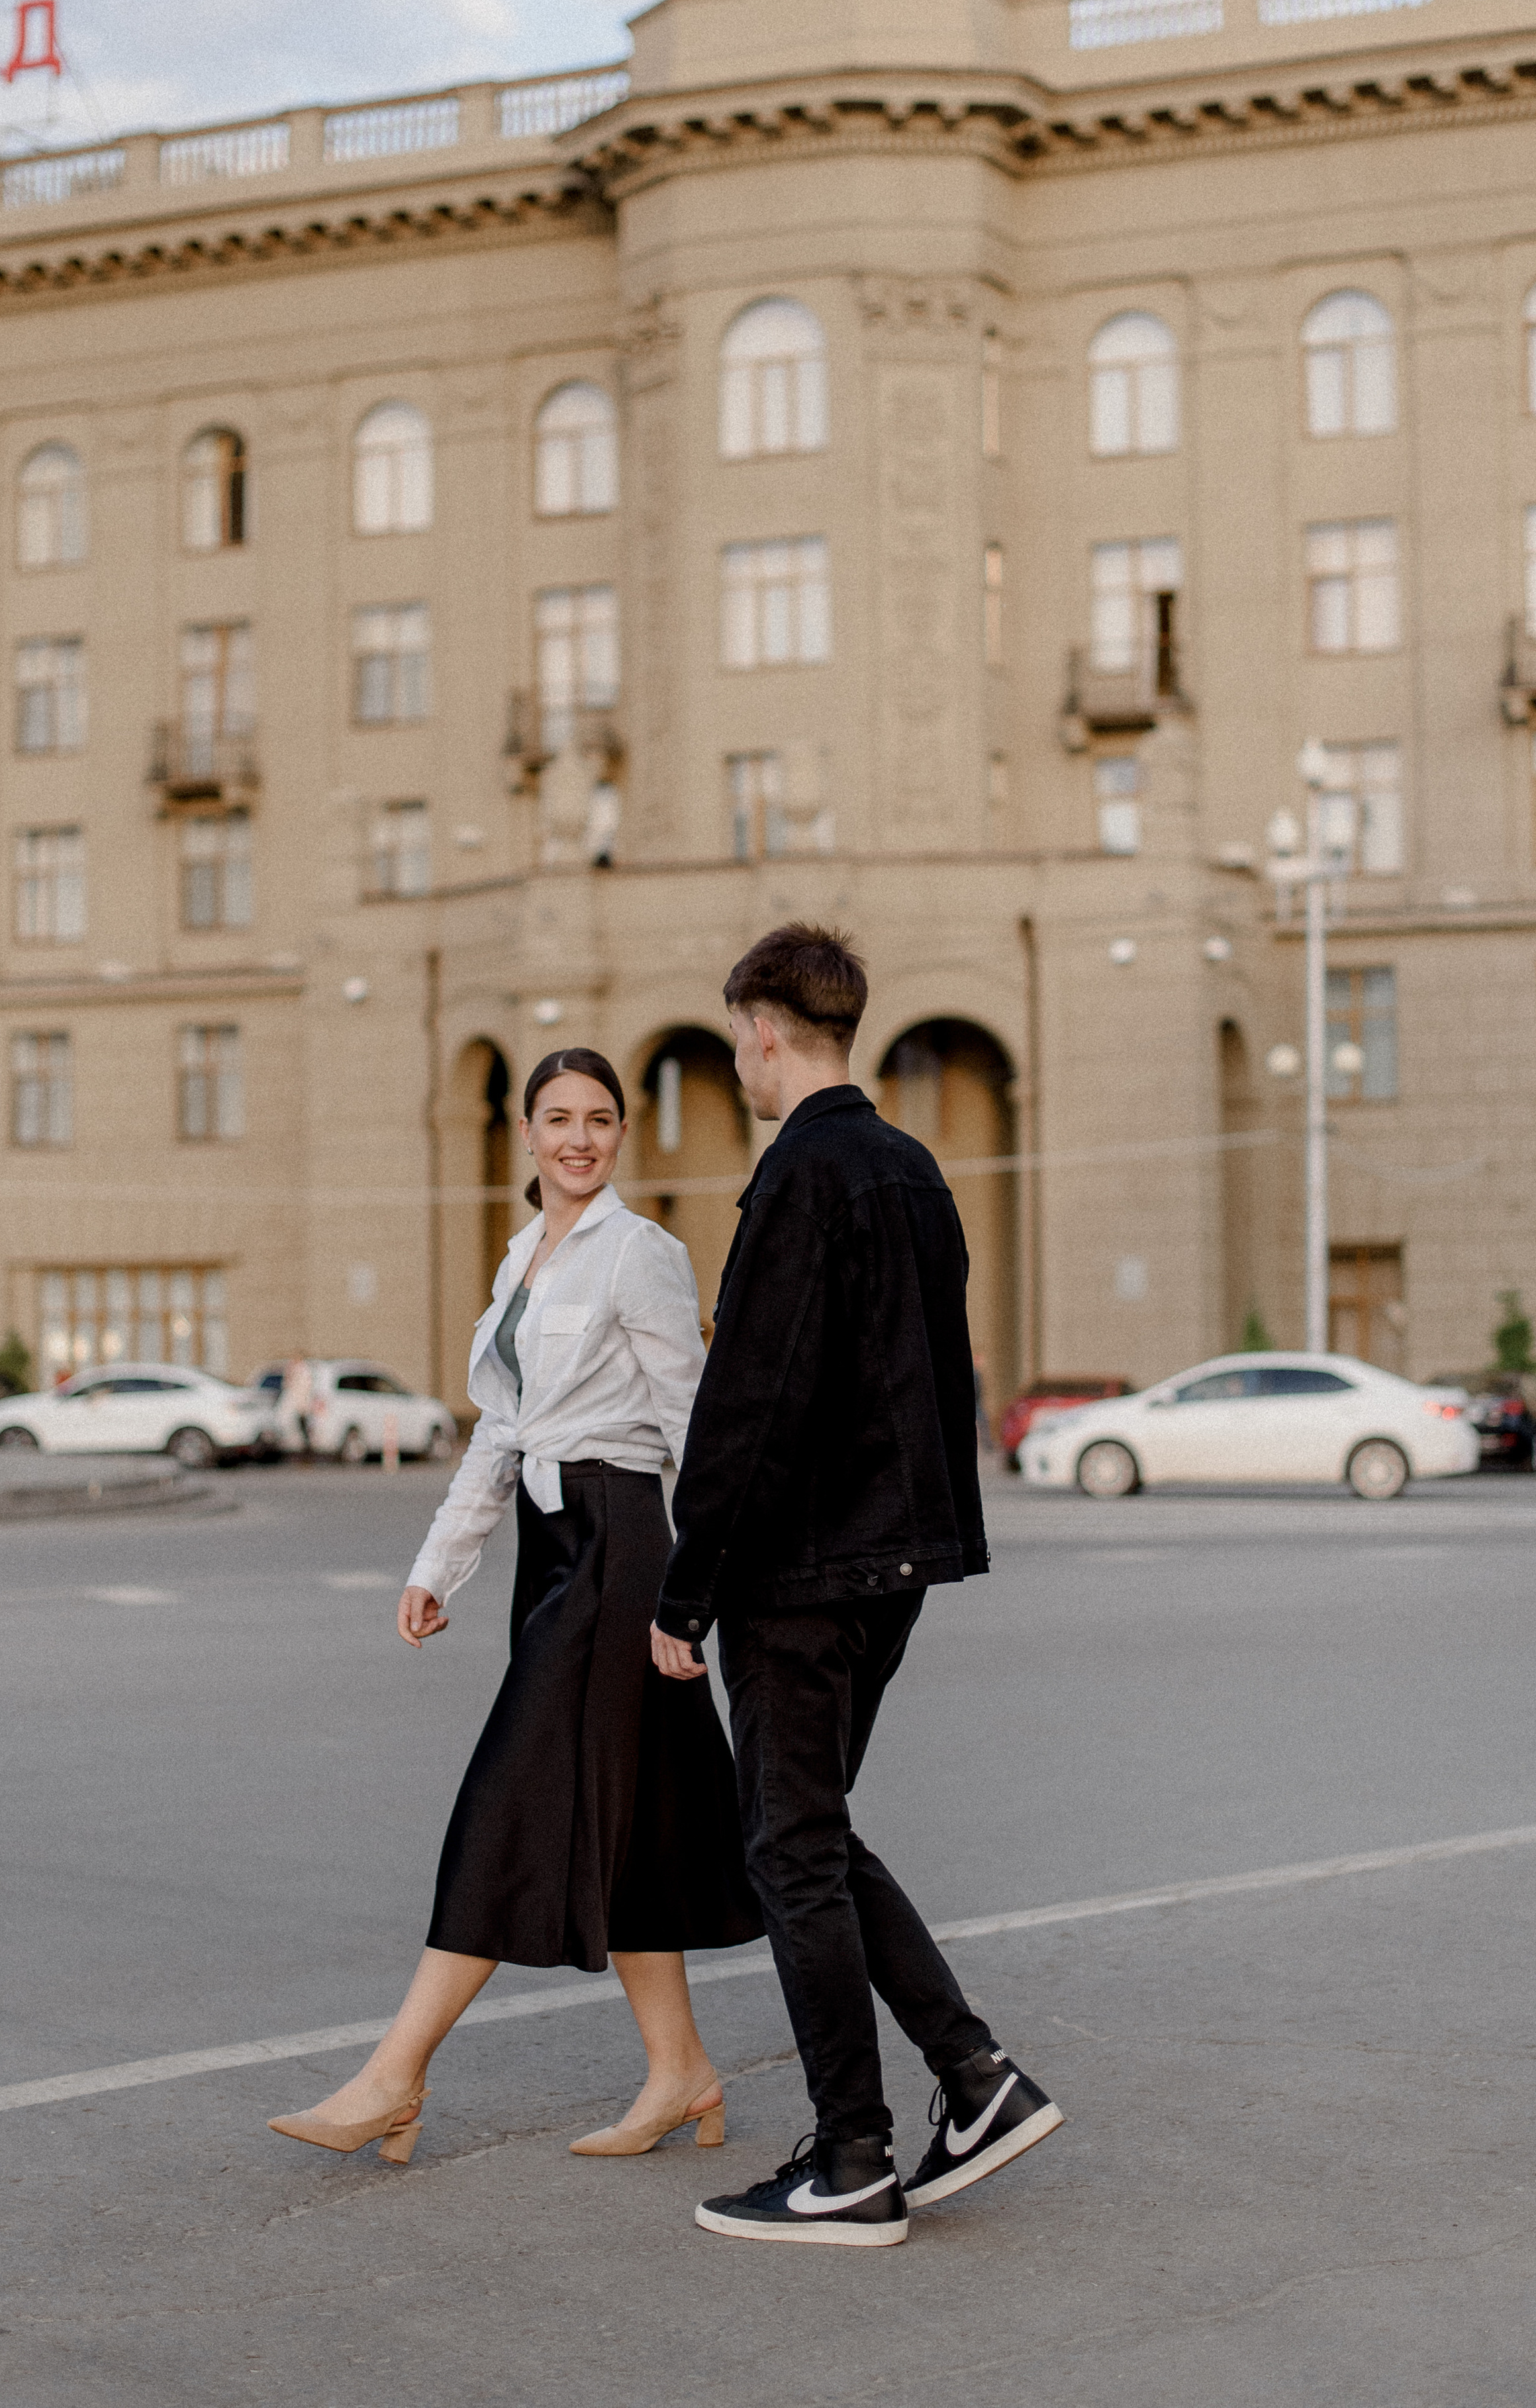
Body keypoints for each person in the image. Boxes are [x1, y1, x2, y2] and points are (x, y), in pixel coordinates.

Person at [269, 1047, 761, 2168]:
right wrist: (438, 1565)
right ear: (526, 1134)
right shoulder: (519, 1263)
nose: (580, 1137)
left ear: (620, 1135)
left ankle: (394, 2075)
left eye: (600, 1119)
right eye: (558, 1118)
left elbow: (695, 1426)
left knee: (504, 1797)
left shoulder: (641, 1253)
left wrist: (698, 1595)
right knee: (628, 1821)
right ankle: (680, 2069)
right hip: (553, 1548)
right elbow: (501, 1429)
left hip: (621, 1546)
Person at [651, 926, 1062, 2248]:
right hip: (894, 1564)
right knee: (812, 1832)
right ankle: (974, 2081)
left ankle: (851, 2160)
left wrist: (684, 1589)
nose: (736, 1063)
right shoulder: (910, 1171)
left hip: (797, 1573)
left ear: (767, 1032)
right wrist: (936, 1542)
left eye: (735, 1041)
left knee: (787, 1852)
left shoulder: (799, 1178)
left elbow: (750, 1400)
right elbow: (944, 1383)